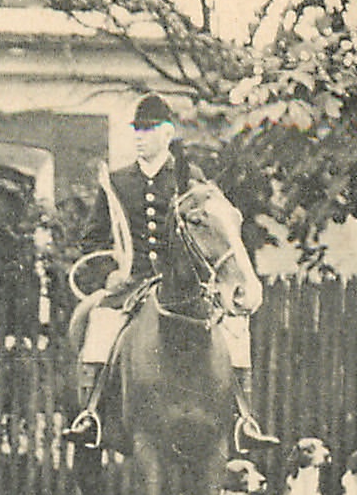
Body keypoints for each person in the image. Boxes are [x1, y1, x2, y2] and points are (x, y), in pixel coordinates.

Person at [61, 93, 278, 452]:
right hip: (132, 283)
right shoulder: (117, 182)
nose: (140, 137)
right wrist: (110, 273)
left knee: (236, 326)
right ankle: (91, 415)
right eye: (137, 131)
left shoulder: (190, 180)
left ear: (167, 134)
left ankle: (243, 419)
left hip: (185, 283)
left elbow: (212, 227)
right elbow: (92, 240)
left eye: (148, 131)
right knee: (100, 322)